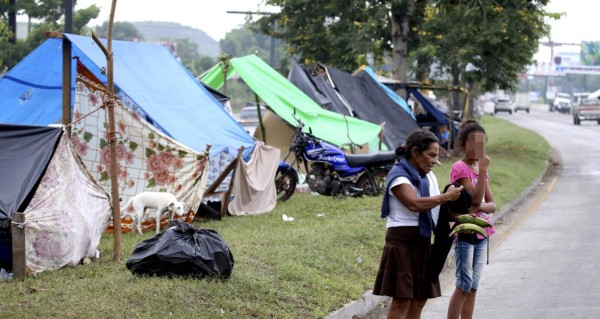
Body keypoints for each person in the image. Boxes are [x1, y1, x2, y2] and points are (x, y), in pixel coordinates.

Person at [373, 129, 464, 319]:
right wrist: (446, 197)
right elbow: (413, 204)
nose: (434, 161)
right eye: (430, 155)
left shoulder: (426, 175)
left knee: (419, 298)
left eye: (436, 157)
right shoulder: (399, 175)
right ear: (415, 152)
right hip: (402, 243)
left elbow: (434, 207)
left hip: (422, 241)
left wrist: (456, 218)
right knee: (402, 301)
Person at [446, 119, 497, 319]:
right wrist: (483, 171)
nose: (478, 148)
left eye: (481, 143)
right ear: (462, 145)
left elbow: (490, 205)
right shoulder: (460, 168)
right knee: (463, 284)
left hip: (483, 232)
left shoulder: (479, 169)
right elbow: (473, 200)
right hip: (466, 232)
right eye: (473, 143)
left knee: (474, 285)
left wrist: (478, 206)